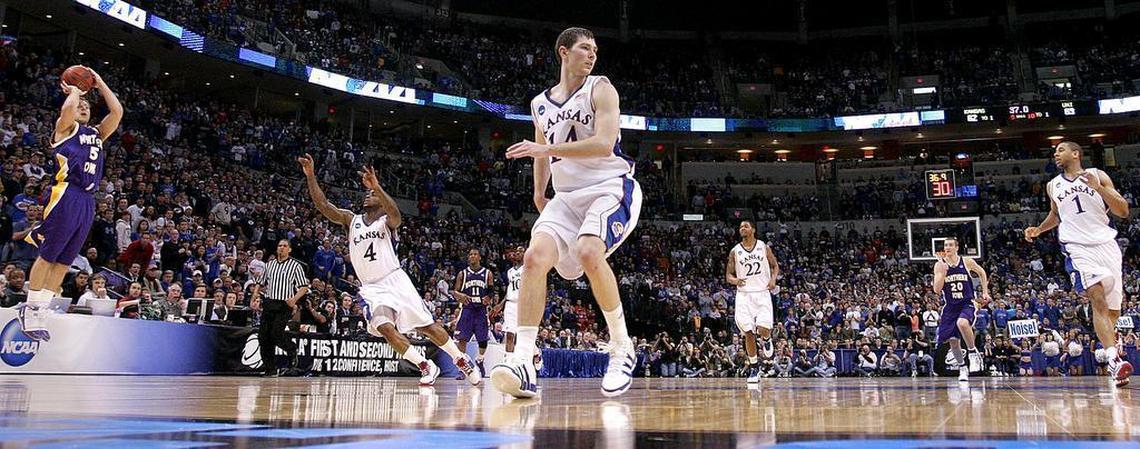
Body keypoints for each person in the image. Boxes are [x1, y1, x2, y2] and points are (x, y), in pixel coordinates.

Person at [495, 27, 643, 399]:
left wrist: (543, 152)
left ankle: (622, 347)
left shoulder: (601, 88)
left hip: (610, 186)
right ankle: (524, 363)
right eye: (584, 48)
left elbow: (604, 143)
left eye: (595, 49)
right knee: (532, 258)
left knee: (589, 252)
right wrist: (538, 194)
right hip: (566, 196)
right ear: (563, 52)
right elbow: (541, 149)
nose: (592, 54)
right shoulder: (539, 104)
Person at [298, 154, 480, 387]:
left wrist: (378, 187)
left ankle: (460, 359)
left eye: (371, 194)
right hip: (372, 288)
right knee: (384, 328)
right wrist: (311, 176)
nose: (367, 195)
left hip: (394, 279)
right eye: (367, 192)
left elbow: (396, 214)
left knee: (427, 327)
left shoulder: (386, 220)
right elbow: (323, 206)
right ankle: (424, 364)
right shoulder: (350, 219)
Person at [19, 67, 122, 341]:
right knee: (48, 255)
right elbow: (67, 111)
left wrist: (99, 83)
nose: (84, 108)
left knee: (64, 262)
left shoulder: (97, 134)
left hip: (87, 201)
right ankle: (29, 309)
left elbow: (117, 113)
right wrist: (75, 91)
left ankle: (41, 312)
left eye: (87, 106)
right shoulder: (65, 129)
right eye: (81, 106)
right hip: (66, 194)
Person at [1024, 141, 1133, 387]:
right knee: (1096, 296)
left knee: (1112, 312)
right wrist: (1039, 229)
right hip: (1077, 247)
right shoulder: (1053, 185)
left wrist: (1100, 189)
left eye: (1060, 150)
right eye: (1054, 151)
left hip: (1106, 245)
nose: (1055, 154)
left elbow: (1123, 210)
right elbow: (1056, 215)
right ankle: (1115, 360)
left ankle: (1109, 351)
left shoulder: (1097, 175)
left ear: (1076, 153)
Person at [725, 220, 780, 384]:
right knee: (748, 332)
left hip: (762, 293)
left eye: (746, 226)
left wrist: (773, 280)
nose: (742, 228)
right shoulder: (735, 251)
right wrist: (735, 281)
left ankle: (767, 339)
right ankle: (754, 368)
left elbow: (775, 266)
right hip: (744, 295)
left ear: (753, 230)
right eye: (740, 226)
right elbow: (728, 275)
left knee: (763, 329)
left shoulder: (763, 246)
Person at [932, 237, 991, 383]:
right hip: (951, 306)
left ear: (957, 247)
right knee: (953, 341)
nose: (948, 247)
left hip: (967, 302)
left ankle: (972, 353)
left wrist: (984, 291)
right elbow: (936, 289)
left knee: (963, 323)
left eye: (951, 245)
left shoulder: (966, 261)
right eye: (946, 245)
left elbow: (982, 272)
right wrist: (944, 272)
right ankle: (962, 368)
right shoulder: (940, 265)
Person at [258, 239, 308, 377]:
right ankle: (270, 368)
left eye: (285, 246)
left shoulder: (295, 266)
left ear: (289, 250)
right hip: (269, 302)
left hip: (284, 304)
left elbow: (304, 287)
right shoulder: (269, 265)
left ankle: (291, 349)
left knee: (276, 333)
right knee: (263, 336)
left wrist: (294, 299)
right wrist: (254, 296)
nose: (281, 248)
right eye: (279, 245)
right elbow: (260, 282)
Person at [453, 248, 494, 377]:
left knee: (483, 340)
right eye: (470, 254)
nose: (472, 256)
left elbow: (491, 290)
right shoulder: (463, 274)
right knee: (462, 339)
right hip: (467, 310)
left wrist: (488, 297)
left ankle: (480, 359)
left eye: (475, 254)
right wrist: (461, 296)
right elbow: (455, 292)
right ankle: (462, 368)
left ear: (480, 257)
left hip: (481, 310)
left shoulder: (487, 273)